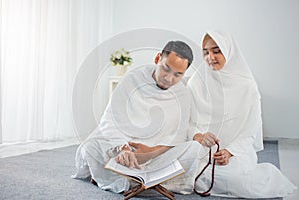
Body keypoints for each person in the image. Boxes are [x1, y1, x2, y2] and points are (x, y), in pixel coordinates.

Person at [72, 41, 204, 194]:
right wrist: (124, 148)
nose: (169, 78)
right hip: (125, 150)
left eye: (177, 74)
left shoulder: (183, 93)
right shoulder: (132, 79)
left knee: (195, 148)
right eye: (166, 69)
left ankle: (127, 177)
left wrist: (151, 151)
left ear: (184, 73)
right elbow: (110, 119)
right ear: (157, 59)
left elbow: (179, 136)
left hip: (157, 155)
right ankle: (146, 179)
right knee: (91, 147)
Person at [187, 30, 297, 198]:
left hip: (235, 153)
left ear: (229, 51)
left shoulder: (247, 86)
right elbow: (187, 123)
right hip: (199, 151)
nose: (211, 57)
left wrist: (229, 152)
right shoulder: (196, 81)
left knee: (237, 179)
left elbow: (250, 131)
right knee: (182, 170)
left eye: (216, 51)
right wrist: (199, 136)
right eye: (206, 52)